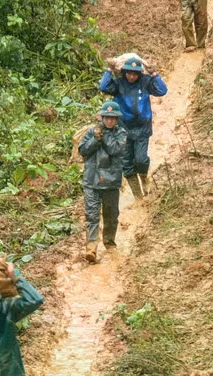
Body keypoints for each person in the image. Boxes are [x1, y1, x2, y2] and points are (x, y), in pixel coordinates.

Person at [99, 58, 168, 201]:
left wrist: (153, 73)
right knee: (126, 163)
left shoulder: (145, 82)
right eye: (129, 73)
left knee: (141, 160)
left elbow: (162, 91)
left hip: (142, 127)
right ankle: (138, 197)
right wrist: (109, 70)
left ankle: (144, 177)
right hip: (123, 128)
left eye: (135, 74)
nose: (132, 76)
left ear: (139, 74)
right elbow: (103, 87)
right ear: (124, 73)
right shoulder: (118, 84)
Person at [78, 101, 128, 263]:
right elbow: (83, 150)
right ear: (102, 117)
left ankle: (109, 242)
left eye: (112, 118)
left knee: (111, 214)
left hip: (111, 182)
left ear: (117, 119)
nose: (109, 121)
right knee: (91, 215)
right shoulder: (91, 132)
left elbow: (115, 150)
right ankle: (91, 246)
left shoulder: (121, 133)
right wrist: (95, 139)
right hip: (91, 180)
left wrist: (104, 136)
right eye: (106, 118)